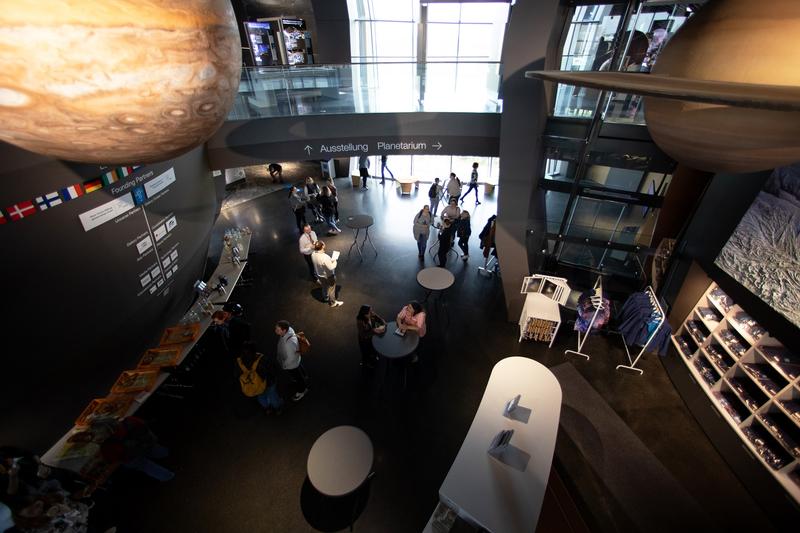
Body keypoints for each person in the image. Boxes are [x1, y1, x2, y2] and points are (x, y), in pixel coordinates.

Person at [99, 416, 174, 482]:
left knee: (144, 465)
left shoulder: (107, 446)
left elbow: (113, 460)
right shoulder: (130, 420)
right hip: (146, 444)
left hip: (133, 456)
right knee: (154, 449)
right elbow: (144, 425)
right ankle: (166, 455)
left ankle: (167, 476)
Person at [237, 341, 283, 414]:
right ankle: (277, 409)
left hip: (254, 385)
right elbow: (272, 370)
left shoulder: (240, 362)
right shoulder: (262, 359)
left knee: (261, 396)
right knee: (272, 395)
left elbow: (237, 374)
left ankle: (267, 408)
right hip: (268, 383)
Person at [275, 320, 309, 401]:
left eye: (278, 329)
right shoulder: (288, 331)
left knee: (297, 376)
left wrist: (284, 365)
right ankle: (304, 377)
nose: (275, 331)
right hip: (296, 361)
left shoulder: (289, 343)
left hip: (292, 364)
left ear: (284, 330)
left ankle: (302, 390)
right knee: (299, 371)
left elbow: (291, 358)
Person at [312, 241, 343, 307]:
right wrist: (334, 261)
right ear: (322, 246)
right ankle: (333, 303)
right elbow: (331, 267)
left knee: (324, 286)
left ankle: (326, 297)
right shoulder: (324, 257)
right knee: (332, 288)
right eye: (323, 243)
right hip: (328, 276)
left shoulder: (313, 254)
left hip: (319, 274)